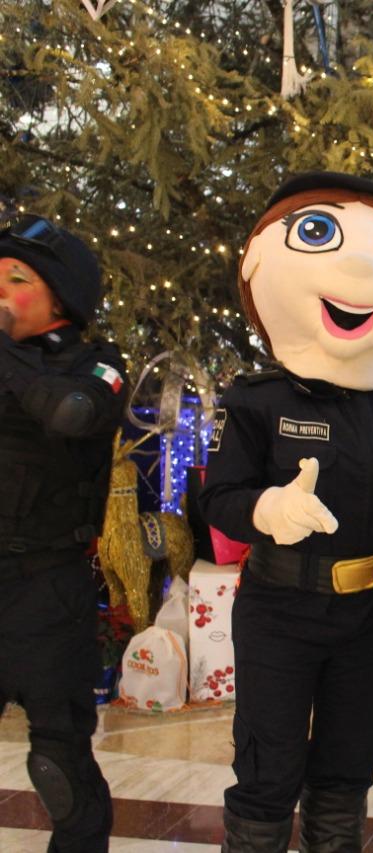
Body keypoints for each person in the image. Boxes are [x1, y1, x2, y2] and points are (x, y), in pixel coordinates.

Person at [198, 173, 373, 852]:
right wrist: (268, 507)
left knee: (347, 767)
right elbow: (217, 498)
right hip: (279, 609)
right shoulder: (259, 400)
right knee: (268, 767)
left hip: (367, 616)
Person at [0, 215, 125, 853]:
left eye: (17, 279)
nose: (0, 292)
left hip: (47, 589)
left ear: (61, 297)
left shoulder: (98, 365)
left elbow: (72, 413)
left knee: (59, 763)